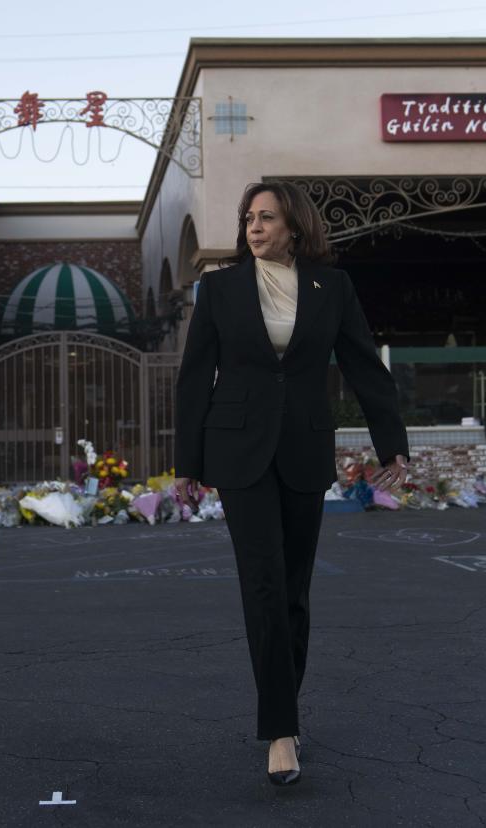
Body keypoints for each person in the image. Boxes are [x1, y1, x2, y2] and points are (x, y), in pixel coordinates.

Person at [174, 182, 409, 787]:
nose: (254, 227)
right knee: (263, 586)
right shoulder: (219, 288)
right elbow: (196, 374)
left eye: (267, 217)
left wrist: (393, 445)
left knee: (294, 592)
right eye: (248, 217)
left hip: (304, 448)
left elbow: (362, 361)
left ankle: (285, 712)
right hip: (238, 454)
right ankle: (280, 730)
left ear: (295, 227)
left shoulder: (333, 288)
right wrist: (186, 462)